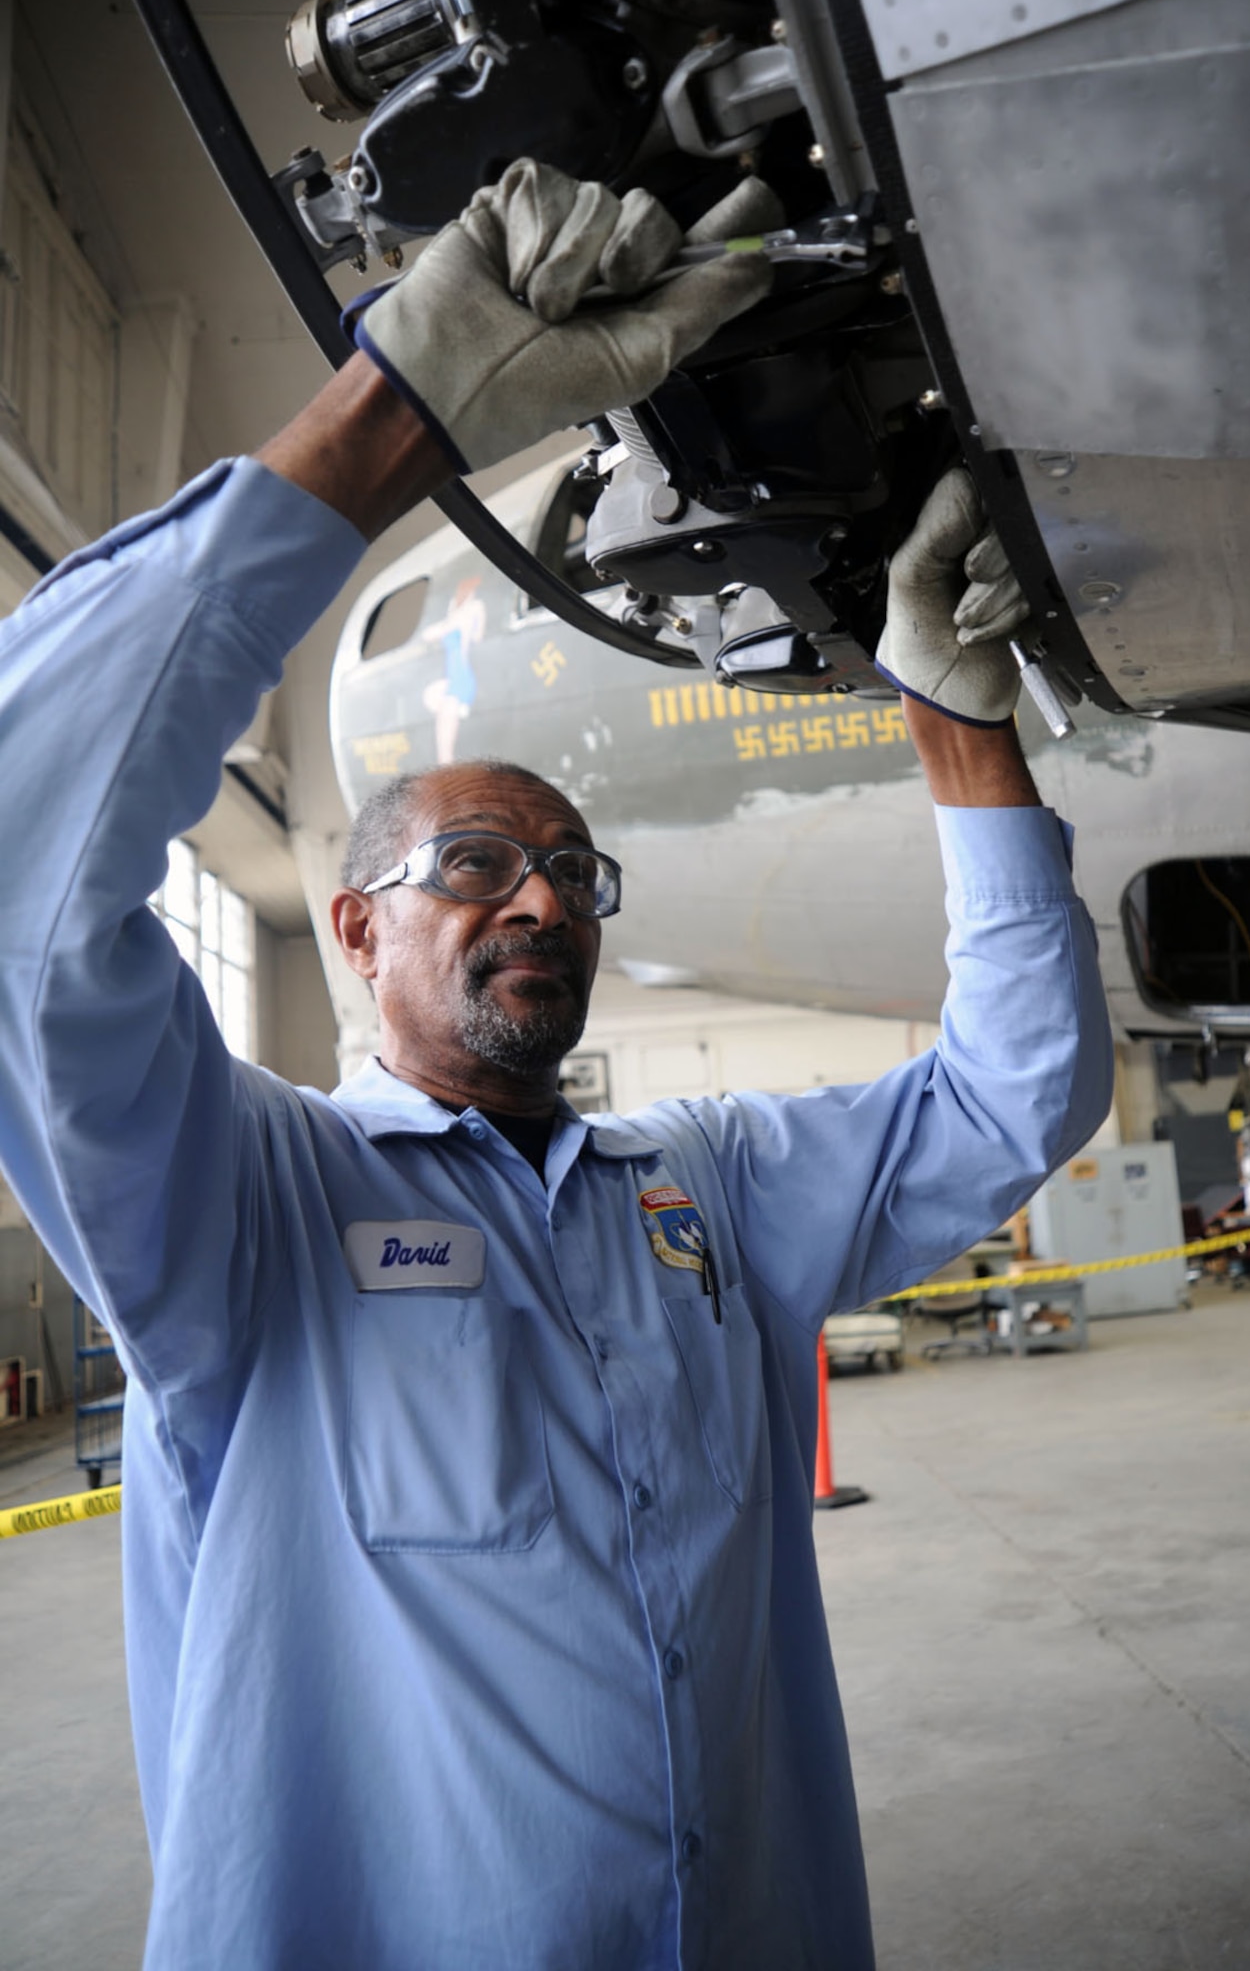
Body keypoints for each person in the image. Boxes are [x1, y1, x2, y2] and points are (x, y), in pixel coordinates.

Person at [0, 160, 1112, 1968]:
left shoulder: (706, 1192)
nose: (539, 901)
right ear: (352, 932)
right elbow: (21, 875)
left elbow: (1015, 1097)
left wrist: (959, 729)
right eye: (469, 867)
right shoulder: (241, 1206)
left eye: (572, 874)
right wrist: (395, 411)